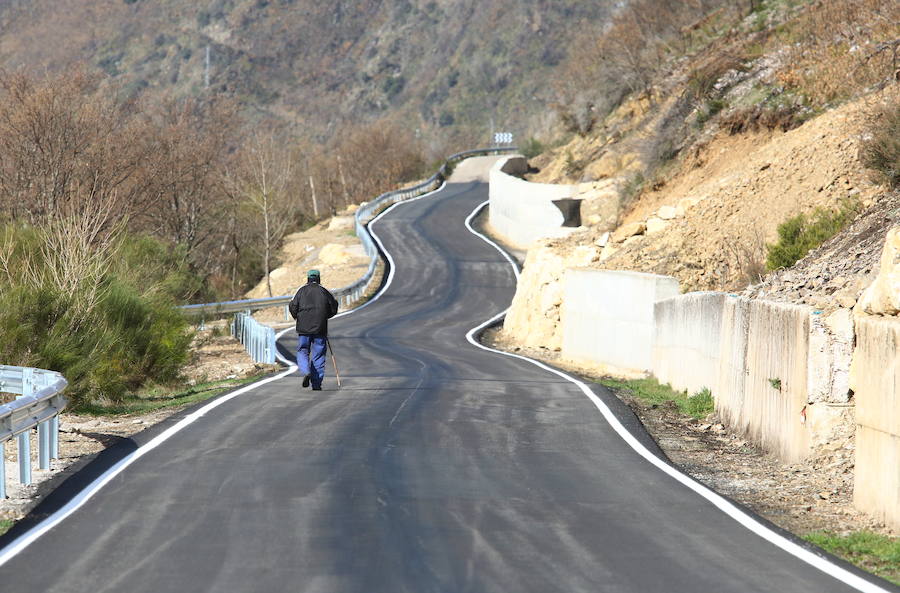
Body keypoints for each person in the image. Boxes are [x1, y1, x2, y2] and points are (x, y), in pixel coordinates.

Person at [288, 269, 339, 391]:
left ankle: (306, 371)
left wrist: (298, 317)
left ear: (308, 278)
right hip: (320, 329)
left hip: (303, 329)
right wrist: (324, 317)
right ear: (319, 278)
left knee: (303, 350)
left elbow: (292, 306)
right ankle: (316, 384)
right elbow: (334, 307)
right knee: (319, 355)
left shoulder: (300, 291)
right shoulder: (324, 291)